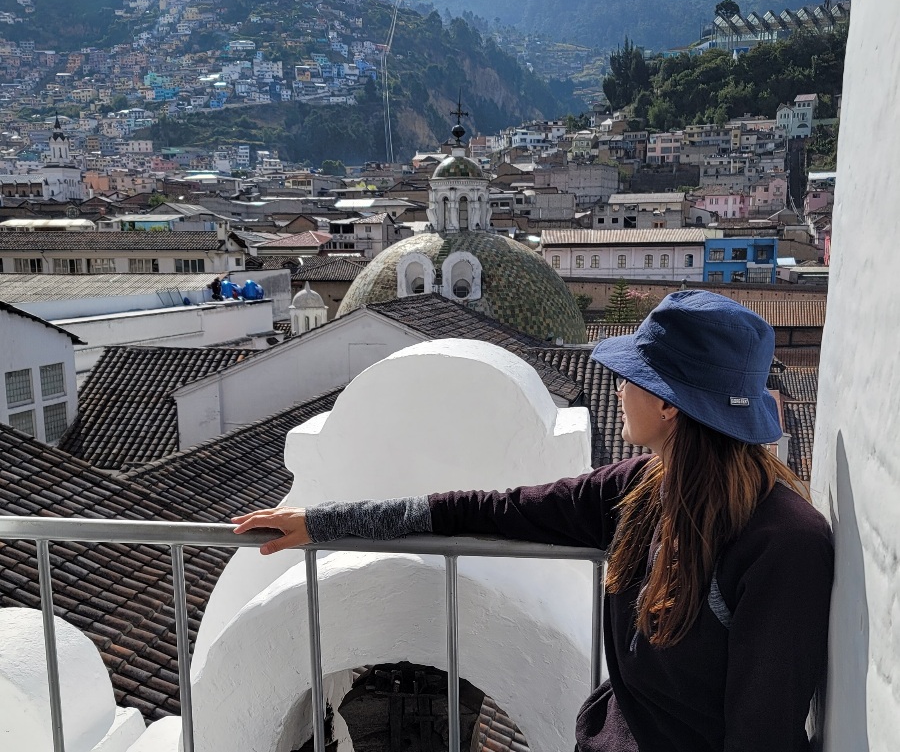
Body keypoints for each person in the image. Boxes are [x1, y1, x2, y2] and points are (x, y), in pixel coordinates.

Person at [233, 291, 834, 752]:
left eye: (632, 377)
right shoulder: (642, 489)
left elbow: (762, 738)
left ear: (668, 404)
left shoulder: (783, 546)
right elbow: (489, 508)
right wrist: (324, 523)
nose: (617, 388)